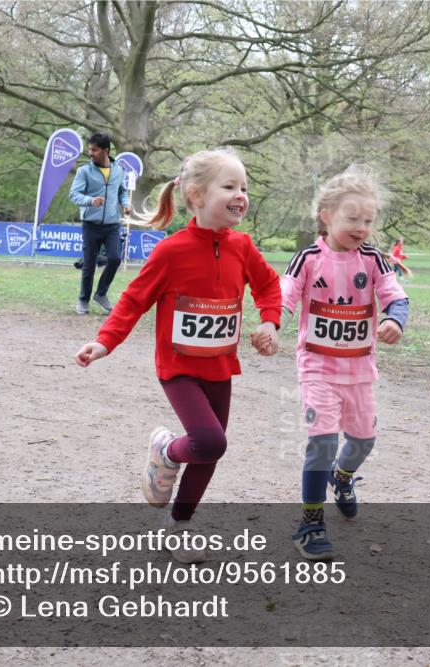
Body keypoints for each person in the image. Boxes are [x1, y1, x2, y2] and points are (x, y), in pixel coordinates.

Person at [74, 148, 281, 564]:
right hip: (180, 370)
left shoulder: (243, 247)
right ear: (196, 195)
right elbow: (134, 300)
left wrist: (270, 322)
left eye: (244, 187)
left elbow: (269, 286)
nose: (241, 194)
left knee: (211, 450)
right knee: (208, 441)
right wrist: (105, 342)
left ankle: (179, 527)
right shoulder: (172, 251)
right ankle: (168, 451)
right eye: (230, 186)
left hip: (219, 367)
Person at [277, 165, 409, 560]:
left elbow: (395, 296)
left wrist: (393, 320)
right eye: (352, 218)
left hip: (359, 370)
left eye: (368, 220)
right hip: (317, 367)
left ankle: (343, 475)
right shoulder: (307, 259)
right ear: (326, 215)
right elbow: (283, 297)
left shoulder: (373, 259)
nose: (362, 227)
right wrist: (272, 324)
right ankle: (311, 523)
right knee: (322, 442)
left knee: (364, 441)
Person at [68, 132, 132, 315]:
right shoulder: (84, 171)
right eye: (89, 149)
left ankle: (101, 294)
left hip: (112, 224)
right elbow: (74, 195)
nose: (90, 153)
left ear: (105, 150)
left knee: (114, 259)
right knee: (89, 265)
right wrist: (90, 200)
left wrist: (125, 204)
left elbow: (122, 191)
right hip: (91, 224)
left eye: (94, 150)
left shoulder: (119, 170)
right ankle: (83, 300)